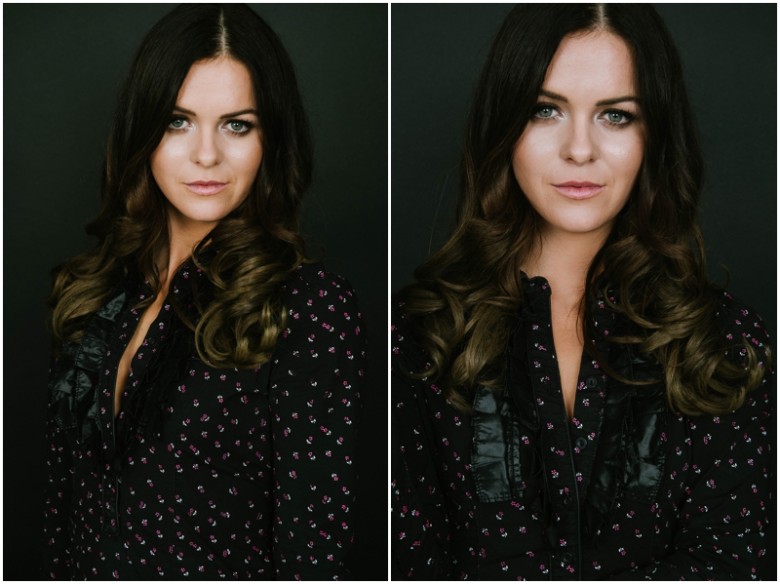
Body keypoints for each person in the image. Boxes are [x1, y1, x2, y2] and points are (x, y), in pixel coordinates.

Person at [392, 4, 773, 580]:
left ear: (655, 136)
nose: (579, 149)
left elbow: (732, 562)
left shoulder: (724, 342)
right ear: (505, 126)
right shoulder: (417, 336)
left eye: (615, 116)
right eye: (545, 110)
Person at [43, 4, 366, 579]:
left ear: (272, 138)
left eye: (237, 124)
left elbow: (313, 552)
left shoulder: (311, 307)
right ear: (143, 130)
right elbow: (63, 517)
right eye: (178, 121)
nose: (207, 155)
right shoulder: (96, 293)